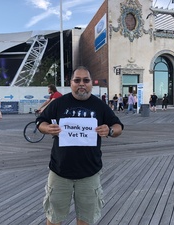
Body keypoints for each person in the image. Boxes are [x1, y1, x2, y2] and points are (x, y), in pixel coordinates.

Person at [36, 66, 123, 225]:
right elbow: (40, 121)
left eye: (86, 80)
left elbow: (118, 126)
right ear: (71, 83)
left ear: (91, 83)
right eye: (77, 80)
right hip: (59, 172)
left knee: (85, 220)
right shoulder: (59, 103)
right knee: (54, 218)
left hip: (89, 173)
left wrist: (109, 130)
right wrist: (47, 128)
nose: (81, 84)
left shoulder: (100, 105)